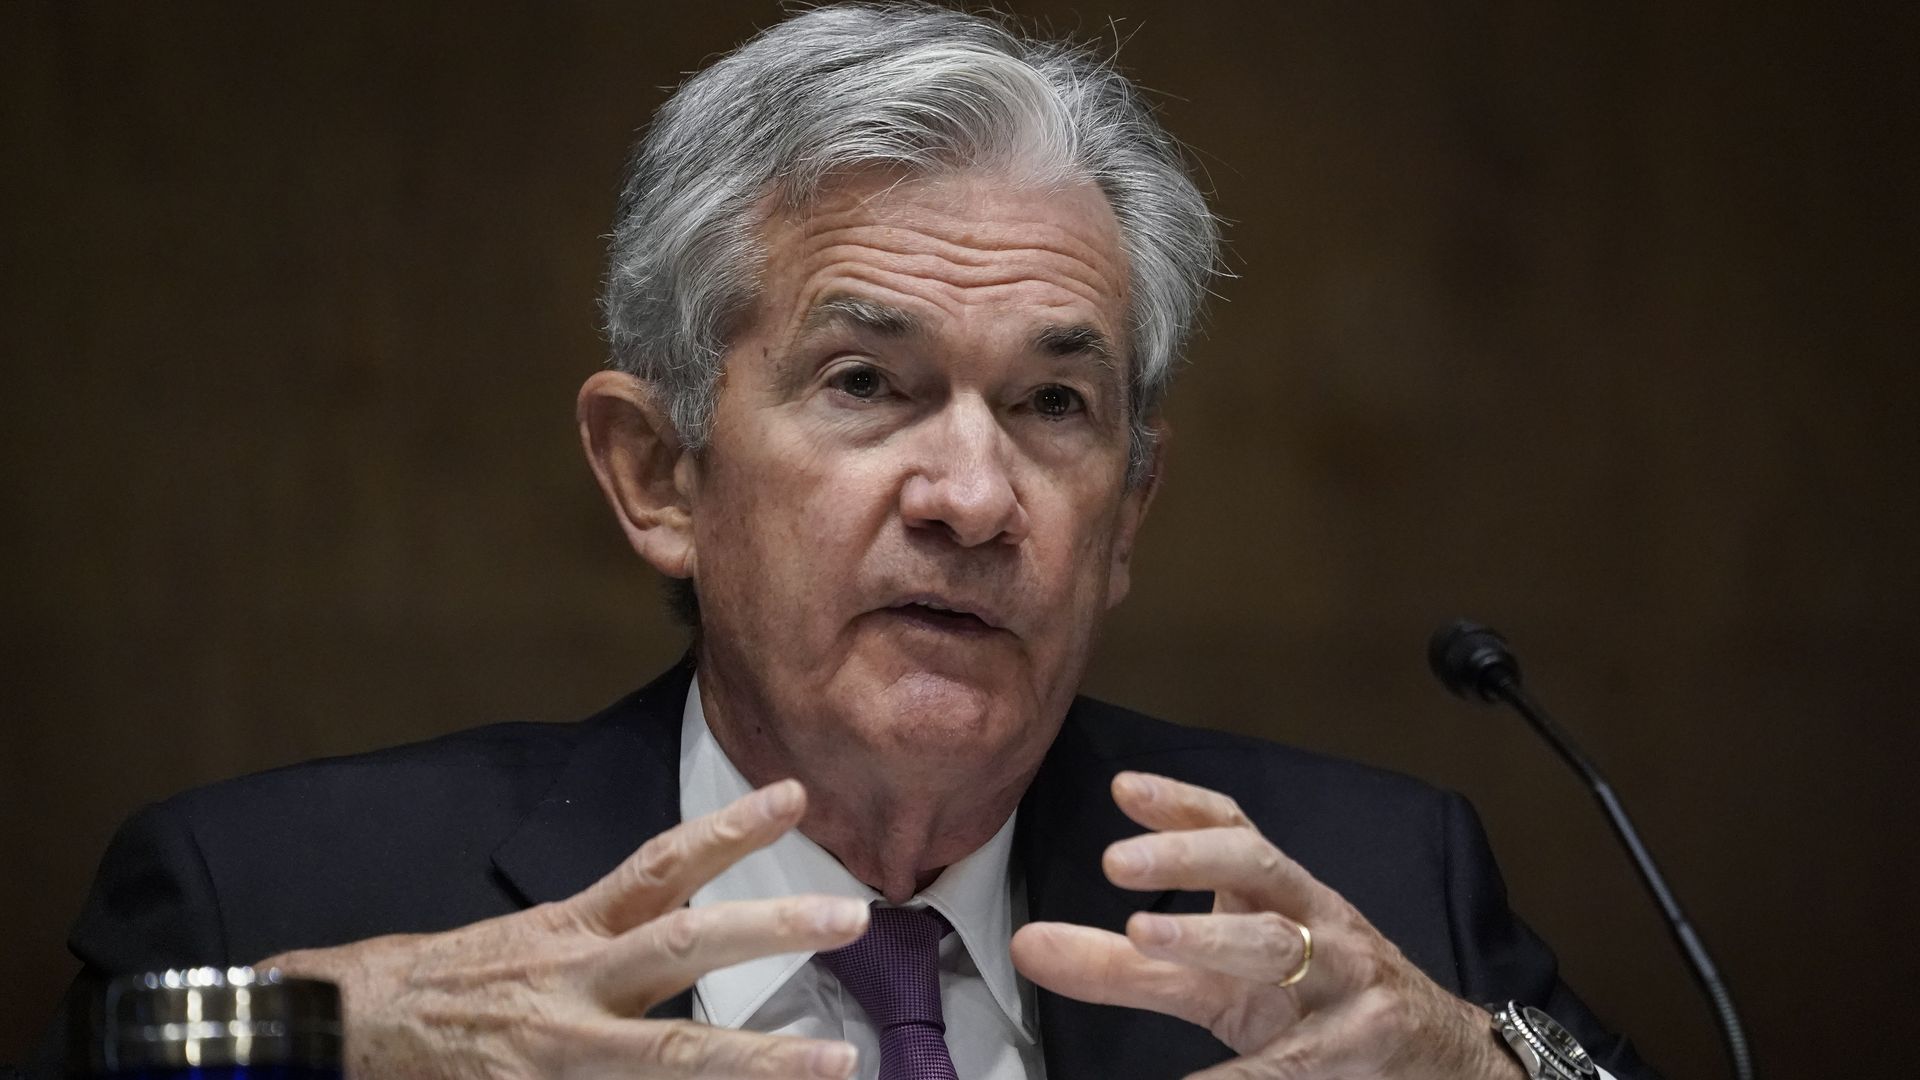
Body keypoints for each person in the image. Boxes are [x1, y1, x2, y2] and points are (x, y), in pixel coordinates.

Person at [35, 5, 1656, 1079]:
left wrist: (1483, 1064)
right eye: (868, 383)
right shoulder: (278, 901)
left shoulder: (1375, 894)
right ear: (659, 475)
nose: (972, 496)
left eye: (1054, 405)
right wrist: (315, 1043)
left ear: (1128, 516)